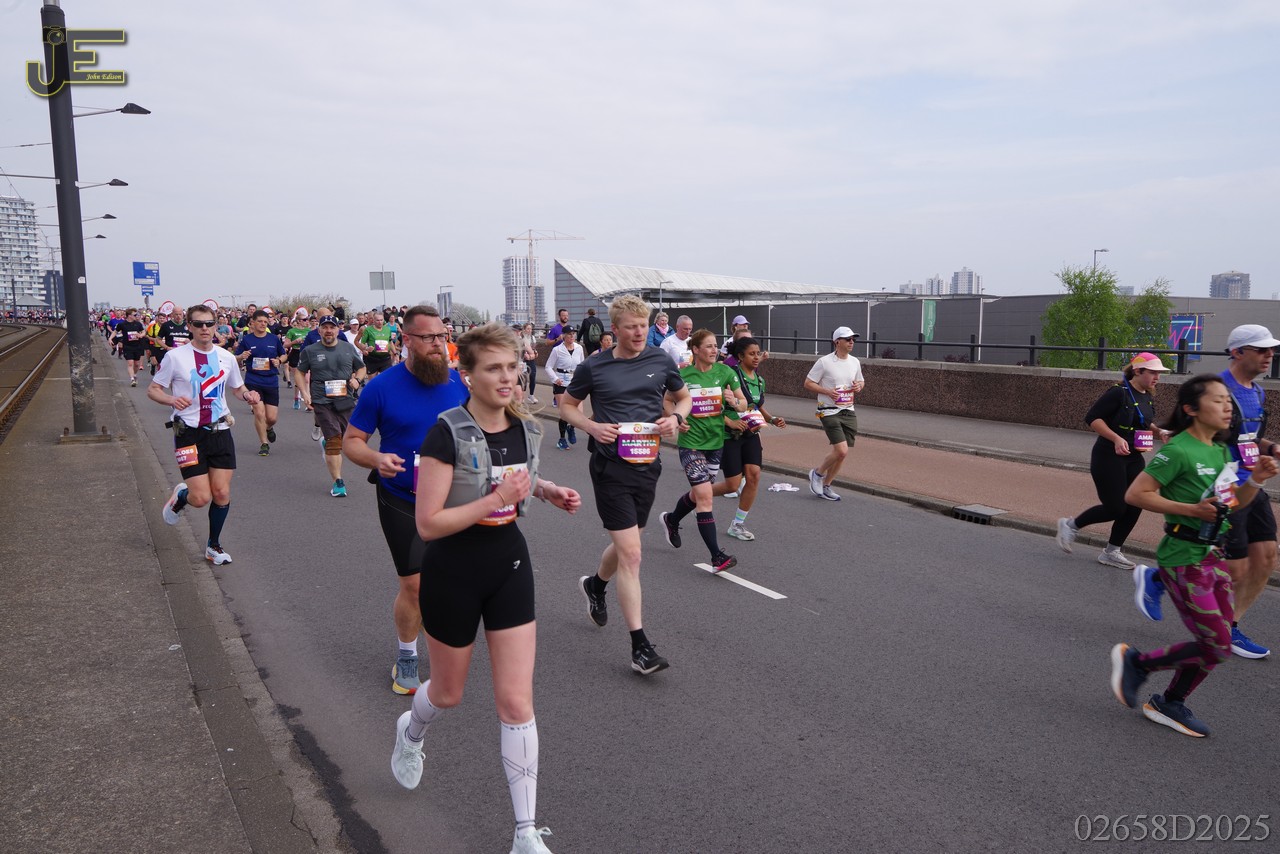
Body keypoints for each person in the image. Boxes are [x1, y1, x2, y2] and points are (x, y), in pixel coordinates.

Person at [390, 324, 580, 854]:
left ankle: (525, 832)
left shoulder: (525, 427)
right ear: (467, 374)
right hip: (453, 569)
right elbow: (428, 524)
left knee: (517, 701)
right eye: (493, 367)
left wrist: (546, 490)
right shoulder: (445, 433)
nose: (507, 376)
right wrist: (498, 497)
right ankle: (411, 732)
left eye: (513, 366)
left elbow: (519, 478)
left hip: (508, 563)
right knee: (447, 694)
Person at [1111, 374, 1279, 737]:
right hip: (1182, 559)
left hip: (1212, 556)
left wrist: (1256, 479)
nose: (1227, 407)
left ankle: (1170, 702)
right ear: (1191, 409)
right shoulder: (1178, 450)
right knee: (1217, 645)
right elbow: (1136, 495)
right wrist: (1191, 510)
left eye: (1228, 401)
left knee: (1217, 641)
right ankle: (1138, 663)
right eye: (1218, 400)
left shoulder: (1219, 450)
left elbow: (1231, 504)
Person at [559, 295, 690, 674]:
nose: (638, 332)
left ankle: (595, 586)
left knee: (626, 545)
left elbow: (683, 398)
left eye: (643, 325)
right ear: (614, 329)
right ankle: (640, 647)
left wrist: (675, 419)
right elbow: (566, 406)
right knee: (632, 554)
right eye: (630, 327)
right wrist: (592, 426)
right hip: (610, 466)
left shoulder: (660, 360)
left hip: (647, 465)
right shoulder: (594, 366)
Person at [345, 305, 468, 695]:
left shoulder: (457, 383)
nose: (438, 344)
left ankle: (437, 627)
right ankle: (407, 656)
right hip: (402, 497)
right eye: (429, 337)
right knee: (413, 585)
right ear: (407, 341)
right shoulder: (381, 387)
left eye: (442, 336)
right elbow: (352, 442)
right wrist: (377, 459)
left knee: (448, 581)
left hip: (451, 499)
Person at [149, 304, 263, 565]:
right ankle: (182, 496)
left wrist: (248, 395)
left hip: (220, 430)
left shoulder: (226, 357)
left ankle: (213, 545)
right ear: (189, 326)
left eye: (209, 324)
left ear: (215, 326)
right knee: (200, 498)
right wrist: (171, 400)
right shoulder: (175, 357)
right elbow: (153, 390)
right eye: (198, 324)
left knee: (221, 493)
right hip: (188, 434)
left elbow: (237, 387)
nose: (204, 328)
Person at [1057, 353, 1170, 569]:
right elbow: (1093, 418)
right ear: (1138, 371)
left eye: (1159, 373)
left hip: (1134, 457)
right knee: (1116, 508)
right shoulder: (1118, 392)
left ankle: (1111, 552)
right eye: (1153, 372)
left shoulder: (1147, 395)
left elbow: (1143, 421)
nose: (1157, 377)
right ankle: (1070, 525)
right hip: (1108, 456)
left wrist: (1159, 431)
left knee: (1136, 502)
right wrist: (1116, 438)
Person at [658, 329, 745, 573]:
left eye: (716, 345)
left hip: (716, 443)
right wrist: (676, 418)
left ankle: (672, 519)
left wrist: (733, 401)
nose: (714, 350)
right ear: (695, 349)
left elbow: (743, 404)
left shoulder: (725, 372)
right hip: (691, 444)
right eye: (708, 346)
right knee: (705, 497)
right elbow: (667, 400)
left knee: (699, 495)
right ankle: (717, 557)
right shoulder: (683, 375)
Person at [1217, 325, 1280, 658]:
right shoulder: (1215, 389)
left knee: (1267, 555)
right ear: (1237, 352)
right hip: (1224, 483)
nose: (1270, 355)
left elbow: (1248, 437)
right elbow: (1196, 437)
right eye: (1261, 349)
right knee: (1233, 566)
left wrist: (1270, 447)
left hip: (1252, 480)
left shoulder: (1257, 392)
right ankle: (1160, 578)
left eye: (1271, 350)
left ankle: (1230, 626)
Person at [717, 337, 786, 541]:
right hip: (730, 434)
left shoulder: (760, 380)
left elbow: (757, 406)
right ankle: (698, 497)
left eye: (758, 353)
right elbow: (714, 405)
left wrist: (772, 419)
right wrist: (730, 422)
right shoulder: (730, 375)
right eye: (751, 354)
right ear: (740, 356)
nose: (757, 357)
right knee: (732, 485)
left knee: (754, 475)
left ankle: (737, 524)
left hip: (751, 433)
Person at [296, 315, 366, 497]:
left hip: (345, 399)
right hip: (322, 400)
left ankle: (326, 442)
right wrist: (305, 393)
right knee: (335, 441)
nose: (328, 331)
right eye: (325, 327)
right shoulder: (310, 350)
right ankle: (338, 482)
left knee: (348, 438)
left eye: (332, 327)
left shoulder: (347, 348)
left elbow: (361, 368)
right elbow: (299, 372)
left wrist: (357, 380)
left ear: (338, 330)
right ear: (319, 330)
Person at [803, 326, 865, 501]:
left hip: (848, 410)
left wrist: (859, 386)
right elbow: (808, 383)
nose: (851, 342)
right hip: (828, 410)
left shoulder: (855, 362)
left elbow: (861, 381)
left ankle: (827, 486)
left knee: (841, 453)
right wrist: (827, 391)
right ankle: (817, 474)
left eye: (853, 339)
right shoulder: (824, 362)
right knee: (841, 450)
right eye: (848, 339)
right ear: (837, 342)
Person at [234, 310, 287, 457]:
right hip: (253, 380)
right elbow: (235, 357)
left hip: (271, 380)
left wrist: (279, 361)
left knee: (272, 418)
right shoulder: (247, 340)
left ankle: (268, 428)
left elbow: (283, 354)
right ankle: (264, 443)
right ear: (253, 323)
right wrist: (241, 356)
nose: (263, 324)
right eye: (260, 321)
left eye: (265, 322)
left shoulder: (273, 339)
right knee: (259, 412)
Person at [545, 325, 584, 450]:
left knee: (579, 412)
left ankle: (571, 428)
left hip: (574, 381)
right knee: (564, 413)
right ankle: (562, 439)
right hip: (561, 381)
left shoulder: (579, 348)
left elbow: (582, 365)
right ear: (563, 336)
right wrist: (555, 378)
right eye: (569, 334)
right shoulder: (557, 350)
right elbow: (548, 366)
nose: (572, 336)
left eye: (573, 334)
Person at [358, 311, 397, 377]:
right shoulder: (368, 330)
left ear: (384, 320)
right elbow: (362, 343)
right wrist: (366, 348)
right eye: (377, 320)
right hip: (373, 359)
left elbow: (390, 342)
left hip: (385, 358)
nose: (380, 322)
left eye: (381, 320)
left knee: (386, 379)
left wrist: (395, 353)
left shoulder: (387, 330)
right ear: (373, 320)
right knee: (373, 381)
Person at [116, 309, 147, 387]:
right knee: (130, 363)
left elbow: (144, 332)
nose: (136, 316)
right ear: (129, 315)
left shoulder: (138, 324)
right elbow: (115, 331)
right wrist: (110, 338)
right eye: (135, 315)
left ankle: (135, 375)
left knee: (136, 364)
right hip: (127, 346)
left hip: (137, 346)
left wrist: (141, 335)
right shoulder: (122, 324)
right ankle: (132, 379)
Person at [518, 322, 540, 404]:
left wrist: (534, 354)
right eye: (528, 329)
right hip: (523, 360)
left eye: (531, 329)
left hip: (531, 359)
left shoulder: (532, 338)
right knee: (524, 378)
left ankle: (531, 395)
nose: (530, 330)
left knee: (533, 377)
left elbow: (534, 349)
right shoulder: (521, 338)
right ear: (524, 329)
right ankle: (522, 396)